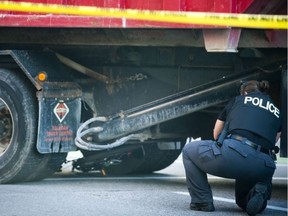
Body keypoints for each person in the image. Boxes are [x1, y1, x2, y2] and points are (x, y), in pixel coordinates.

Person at [182, 80, 281, 216]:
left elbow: (216, 134)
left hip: (237, 154)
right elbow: (274, 139)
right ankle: (259, 191)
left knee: (189, 150)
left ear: (245, 92)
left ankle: (202, 202)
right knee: (242, 201)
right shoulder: (276, 110)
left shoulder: (238, 100)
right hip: (265, 166)